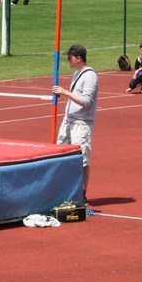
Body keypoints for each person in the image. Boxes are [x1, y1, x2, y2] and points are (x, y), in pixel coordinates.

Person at [52, 44, 98, 202]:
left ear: (78, 58)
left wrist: (65, 92)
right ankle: (64, 189)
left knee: (81, 159)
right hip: (69, 120)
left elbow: (87, 102)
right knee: (60, 153)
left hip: (81, 123)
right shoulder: (76, 74)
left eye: (70, 57)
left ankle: (81, 194)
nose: (68, 60)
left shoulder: (90, 76)